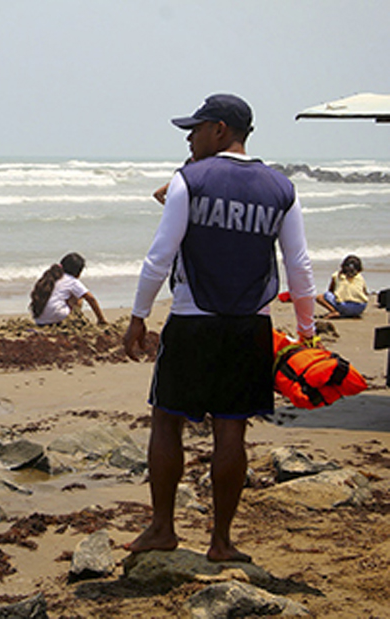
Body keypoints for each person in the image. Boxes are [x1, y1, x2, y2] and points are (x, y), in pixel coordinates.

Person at [123, 94, 317, 563]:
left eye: (195, 129)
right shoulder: (281, 187)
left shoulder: (190, 179)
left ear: (220, 130)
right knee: (232, 431)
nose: (189, 138)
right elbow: (299, 265)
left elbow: (160, 255)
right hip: (251, 325)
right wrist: (307, 330)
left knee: (166, 420)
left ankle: (163, 528)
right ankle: (222, 541)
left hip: (192, 321)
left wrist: (138, 315)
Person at [30, 252, 107, 326]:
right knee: (78, 296)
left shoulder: (50, 277)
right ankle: (75, 318)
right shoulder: (71, 280)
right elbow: (91, 298)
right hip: (57, 317)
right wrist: (101, 319)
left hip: (39, 320)